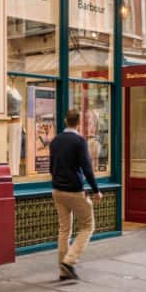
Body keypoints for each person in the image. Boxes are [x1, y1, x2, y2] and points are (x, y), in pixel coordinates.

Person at [49, 109, 102, 281]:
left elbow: (51, 167)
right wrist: (96, 190)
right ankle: (70, 261)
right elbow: (87, 168)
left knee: (64, 230)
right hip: (74, 191)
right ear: (79, 122)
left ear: (65, 120)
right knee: (88, 226)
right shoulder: (79, 141)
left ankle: (63, 271)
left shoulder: (55, 140)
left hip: (57, 190)